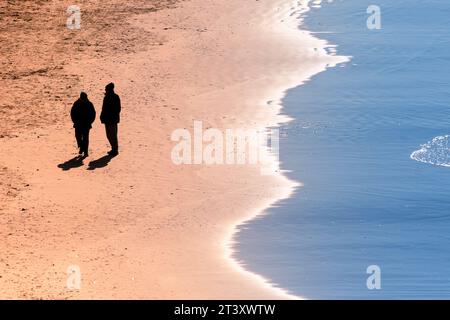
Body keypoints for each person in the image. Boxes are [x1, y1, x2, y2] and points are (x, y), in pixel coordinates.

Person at [70, 92, 96, 157]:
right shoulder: (76, 103)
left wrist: (90, 122)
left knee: (85, 138)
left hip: (86, 124)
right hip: (78, 124)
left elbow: (93, 114)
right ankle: (82, 147)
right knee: (77, 136)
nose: (84, 99)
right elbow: (72, 113)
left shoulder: (89, 104)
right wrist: (74, 121)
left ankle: (86, 152)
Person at [100, 82, 121, 156]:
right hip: (107, 119)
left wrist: (112, 115)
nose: (105, 90)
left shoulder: (115, 97)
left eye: (106, 89)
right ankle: (113, 148)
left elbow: (118, 109)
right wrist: (102, 116)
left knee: (113, 135)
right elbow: (103, 108)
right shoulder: (106, 97)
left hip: (112, 120)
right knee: (108, 135)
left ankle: (115, 150)